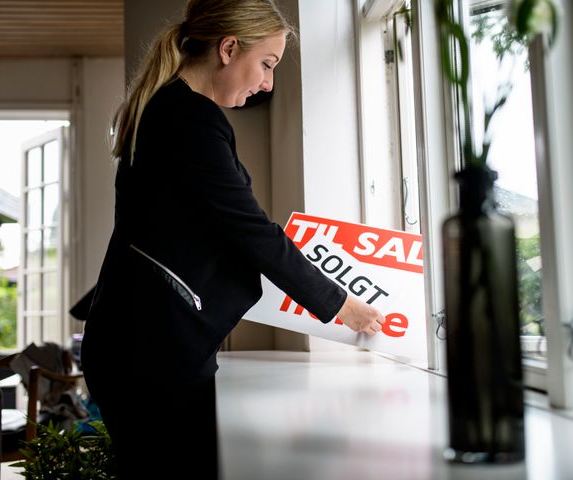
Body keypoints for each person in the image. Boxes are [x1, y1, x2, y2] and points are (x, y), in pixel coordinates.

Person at [80, 0, 386, 478]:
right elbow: (251, 232)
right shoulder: (190, 119)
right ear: (227, 48)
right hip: (150, 352)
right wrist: (344, 304)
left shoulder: (172, 110)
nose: (267, 82)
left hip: (145, 345)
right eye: (267, 64)